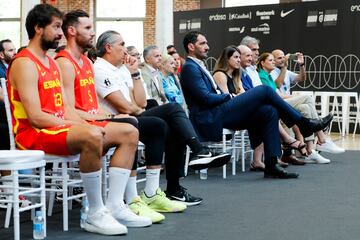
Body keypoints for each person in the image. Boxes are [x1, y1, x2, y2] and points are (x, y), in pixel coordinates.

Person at [7, 4, 140, 235]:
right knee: (91, 134)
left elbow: (67, 109)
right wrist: (84, 127)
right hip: (32, 134)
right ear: (38, 28)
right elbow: (36, 117)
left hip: (56, 128)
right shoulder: (24, 63)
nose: (61, 33)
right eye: (56, 27)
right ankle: (95, 213)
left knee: (129, 132)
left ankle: (115, 205)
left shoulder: (51, 63)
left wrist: (89, 122)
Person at [93, 30, 230, 206]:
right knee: (170, 113)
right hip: (114, 120)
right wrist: (135, 108)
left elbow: (141, 102)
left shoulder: (123, 70)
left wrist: (134, 74)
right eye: (122, 45)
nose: (125, 49)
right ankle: (198, 151)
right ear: (108, 47)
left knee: (171, 125)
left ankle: (168, 189)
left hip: (130, 116)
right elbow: (126, 106)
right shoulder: (101, 69)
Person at [180, 31, 333, 179]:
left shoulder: (198, 66)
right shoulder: (189, 68)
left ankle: (272, 165)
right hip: (211, 117)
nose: (207, 47)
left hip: (219, 112)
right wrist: (229, 96)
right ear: (191, 47)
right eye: (202, 43)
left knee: (269, 110)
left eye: (206, 43)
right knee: (264, 90)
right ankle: (303, 123)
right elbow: (205, 98)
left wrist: (227, 96)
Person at [55, 10, 156, 226]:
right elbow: (68, 109)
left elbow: (95, 107)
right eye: (88, 28)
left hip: (94, 119)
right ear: (72, 31)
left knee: (131, 128)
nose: (93, 34)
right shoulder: (64, 62)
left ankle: (116, 205)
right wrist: (111, 115)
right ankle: (98, 209)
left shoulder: (86, 62)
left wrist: (110, 115)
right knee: (131, 124)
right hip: (78, 124)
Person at [271, 49, 345, 161]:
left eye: (283, 57)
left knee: (305, 107)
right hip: (280, 104)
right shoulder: (272, 72)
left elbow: (302, 78)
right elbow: (277, 85)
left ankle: (310, 150)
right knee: (307, 97)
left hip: (288, 104)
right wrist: (285, 68)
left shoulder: (286, 72)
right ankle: (322, 138)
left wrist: (302, 65)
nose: (282, 60)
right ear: (273, 61)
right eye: (279, 58)